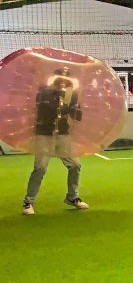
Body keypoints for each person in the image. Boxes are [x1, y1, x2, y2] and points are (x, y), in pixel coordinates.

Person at [22, 67, 90, 215]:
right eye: (61, 79)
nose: (63, 82)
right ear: (55, 79)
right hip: (44, 133)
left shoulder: (71, 93)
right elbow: (45, 109)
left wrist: (74, 108)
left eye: (66, 80)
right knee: (40, 167)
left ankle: (72, 196)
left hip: (62, 133)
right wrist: (59, 100)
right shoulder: (44, 91)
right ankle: (28, 202)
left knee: (75, 165)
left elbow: (77, 116)